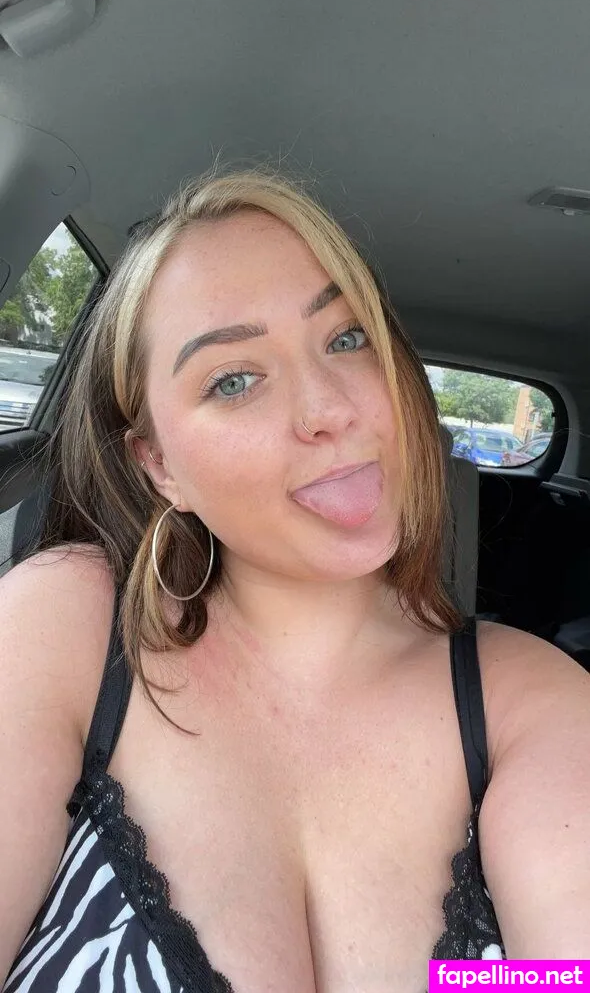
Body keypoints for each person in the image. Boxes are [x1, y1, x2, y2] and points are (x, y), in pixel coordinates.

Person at [1, 167, 588, 993]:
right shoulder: (67, 624)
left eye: (347, 339)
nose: (328, 409)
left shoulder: (535, 702)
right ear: (159, 464)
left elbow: (565, 971)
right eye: (233, 380)